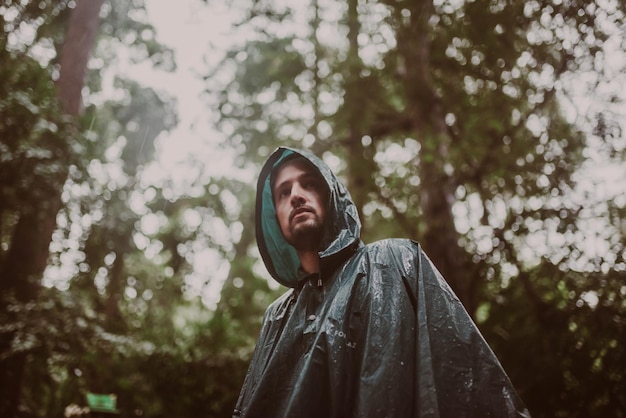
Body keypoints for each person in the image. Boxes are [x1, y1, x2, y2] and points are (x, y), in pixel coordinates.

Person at [233, 147, 530, 418]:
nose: (296, 195)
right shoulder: (277, 316)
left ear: (331, 196)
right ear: (275, 217)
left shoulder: (393, 261)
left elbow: (462, 375)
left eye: (309, 183)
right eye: (283, 193)